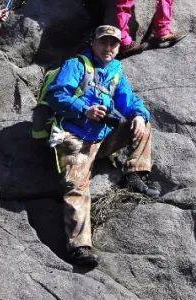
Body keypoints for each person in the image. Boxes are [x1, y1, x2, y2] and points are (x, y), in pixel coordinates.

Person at [44, 25, 161, 269]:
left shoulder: (116, 70)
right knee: (76, 186)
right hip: (73, 136)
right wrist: (84, 110)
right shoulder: (76, 65)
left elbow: (130, 101)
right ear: (94, 43)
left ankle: (136, 174)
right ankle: (79, 246)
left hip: (102, 137)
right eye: (104, 43)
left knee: (141, 123)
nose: (109, 48)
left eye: (114, 44)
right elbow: (57, 95)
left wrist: (139, 115)